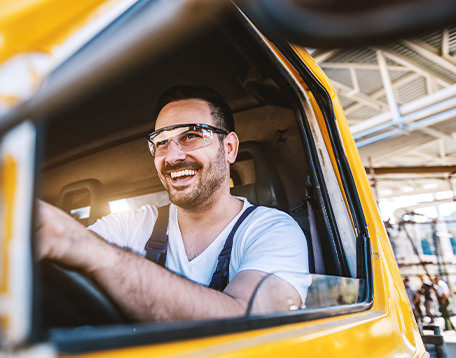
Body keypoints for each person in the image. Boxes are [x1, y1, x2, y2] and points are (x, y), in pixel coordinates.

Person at [37, 85, 309, 321]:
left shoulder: (272, 231)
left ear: (229, 148)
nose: (173, 156)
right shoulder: (129, 225)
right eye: (162, 142)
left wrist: (101, 256)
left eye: (191, 135)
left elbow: (250, 323)